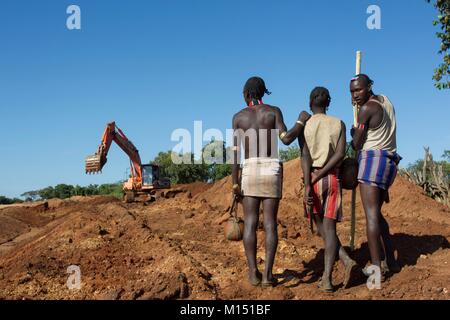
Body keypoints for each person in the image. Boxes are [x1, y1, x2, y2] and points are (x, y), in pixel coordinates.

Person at [232, 76, 310, 287]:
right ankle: (267, 276)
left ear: (247, 94)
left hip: (249, 170)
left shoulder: (238, 117)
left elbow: (235, 154)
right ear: (263, 92)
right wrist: (301, 121)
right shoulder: (273, 111)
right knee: (269, 224)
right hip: (270, 168)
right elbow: (286, 139)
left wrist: (235, 183)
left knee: (249, 222)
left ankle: (252, 273)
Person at [300, 87, 357, 292]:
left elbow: (305, 157)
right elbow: (340, 154)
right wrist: (324, 173)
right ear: (328, 103)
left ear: (310, 102)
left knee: (322, 229)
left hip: (312, 179)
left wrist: (309, 183)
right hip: (333, 178)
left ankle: (337, 267)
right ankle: (329, 276)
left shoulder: (305, 125)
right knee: (328, 229)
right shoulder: (338, 123)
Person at [350, 74, 401, 280]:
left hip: (372, 160)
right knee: (377, 215)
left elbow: (356, 144)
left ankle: (375, 271)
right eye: (352, 92)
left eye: (358, 90)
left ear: (369, 86)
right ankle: (392, 261)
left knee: (371, 216)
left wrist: (355, 131)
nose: (355, 95)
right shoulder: (385, 101)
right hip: (389, 160)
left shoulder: (366, 109)